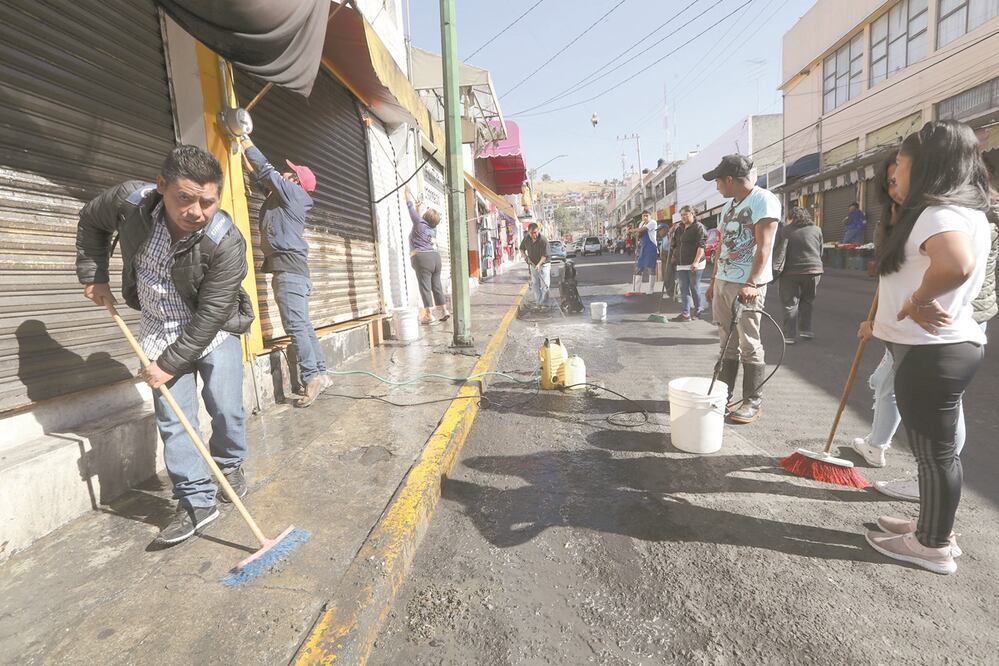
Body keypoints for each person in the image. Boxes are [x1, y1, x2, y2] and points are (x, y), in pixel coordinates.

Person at [76, 145, 255, 546]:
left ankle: (228, 467)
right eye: (185, 199)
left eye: (207, 202)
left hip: (213, 331)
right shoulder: (130, 202)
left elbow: (210, 316)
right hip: (159, 327)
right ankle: (196, 501)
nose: (196, 211)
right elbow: (91, 219)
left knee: (226, 409)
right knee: (176, 421)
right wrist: (95, 274)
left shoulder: (226, 241)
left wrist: (168, 365)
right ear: (162, 186)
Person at [861, 120, 991, 575]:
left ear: (928, 164)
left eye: (902, 160)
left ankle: (932, 545)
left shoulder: (939, 214)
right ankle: (932, 527)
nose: (896, 168)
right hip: (945, 348)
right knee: (936, 453)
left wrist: (919, 300)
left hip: (931, 351)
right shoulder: (965, 211)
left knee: (934, 454)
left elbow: (956, 264)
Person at [239, 136, 328, 407]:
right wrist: (239, 148)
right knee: (304, 324)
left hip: (289, 271)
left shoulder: (295, 194)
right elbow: (258, 175)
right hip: (293, 270)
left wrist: (245, 138)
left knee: (296, 325)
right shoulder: (283, 197)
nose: (284, 172)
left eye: (289, 172)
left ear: (295, 181)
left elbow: (266, 170)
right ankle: (322, 373)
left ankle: (312, 376)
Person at [703, 154, 781, 424]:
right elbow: (722, 247)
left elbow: (765, 246)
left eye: (717, 181)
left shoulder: (763, 199)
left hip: (746, 285)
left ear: (729, 179)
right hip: (724, 281)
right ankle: (725, 396)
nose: (716, 187)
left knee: (749, 342)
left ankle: (752, 402)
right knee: (727, 342)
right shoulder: (727, 208)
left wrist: (751, 282)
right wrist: (714, 281)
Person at [773, 206, 824, 342]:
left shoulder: (784, 231)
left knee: (790, 303)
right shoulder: (817, 230)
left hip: (790, 272)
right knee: (807, 300)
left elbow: (777, 251)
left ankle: (789, 335)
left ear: (791, 218)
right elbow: (820, 251)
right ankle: (805, 330)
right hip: (813, 270)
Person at [403, 186, 448, 325]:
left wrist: (407, 191)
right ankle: (445, 310)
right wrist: (419, 209)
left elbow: (409, 205)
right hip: (435, 258)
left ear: (425, 217)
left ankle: (429, 314)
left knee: (425, 286)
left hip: (423, 259)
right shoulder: (432, 228)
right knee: (437, 285)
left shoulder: (419, 223)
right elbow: (418, 220)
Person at [671, 205, 707, 322]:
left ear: (692, 214)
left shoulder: (698, 227)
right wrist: (673, 256)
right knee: (683, 288)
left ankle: (698, 310)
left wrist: (696, 262)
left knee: (694, 286)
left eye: (686, 214)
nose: (683, 217)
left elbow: (701, 246)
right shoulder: (679, 228)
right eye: (681, 215)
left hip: (695, 262)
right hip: (681, 263)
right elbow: (675, 244)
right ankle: (685, 314)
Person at [520, 222, 550, 307]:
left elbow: (544, 256)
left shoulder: (543, 240)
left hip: (544, 264)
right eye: (532, 233)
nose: (534, 235)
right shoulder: (526, 239)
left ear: (538, 230)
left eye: (536, 232)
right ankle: (538, 303)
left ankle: (544, 304)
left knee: (545, 284)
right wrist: (525, 257)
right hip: (533, 264)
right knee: (535, 283)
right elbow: (522, 249)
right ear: (529, 232)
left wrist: (539, 264)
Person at [633, 210, 659, 294]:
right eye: (643, 216)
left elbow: (643, 229)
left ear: (650, 216)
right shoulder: (641, 223)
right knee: (639, 268)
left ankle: (651, 289)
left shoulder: (653, 223)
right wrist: (637, 246)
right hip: (643, 247)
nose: (645, 217)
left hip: (651, 247)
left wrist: (632, 230)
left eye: (646, 216)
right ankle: (637, 290)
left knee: (651, 268)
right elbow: (638, 234)